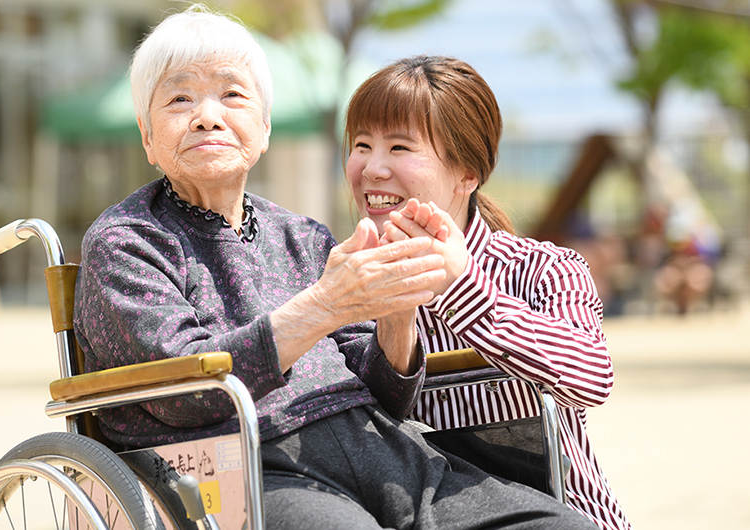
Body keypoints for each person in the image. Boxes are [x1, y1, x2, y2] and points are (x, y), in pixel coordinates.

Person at [74, 6, 599, 530]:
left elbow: (388, 395)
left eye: (232, 95)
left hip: (383, 447)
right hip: (246, 462)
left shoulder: (303, 236)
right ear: (147, 135)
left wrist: (397, 311)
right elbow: (186, 395)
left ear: (264, 127)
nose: (207, 115)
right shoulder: (127, 242)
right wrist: (326, 304)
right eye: (179, 98)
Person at [343, 55, 631, 530]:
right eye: (361, 145)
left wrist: (459, 287)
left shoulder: (543, 269)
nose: (372, 168)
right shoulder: (340, 286)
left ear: (467, 173)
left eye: (398, 147)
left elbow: (592, 376)